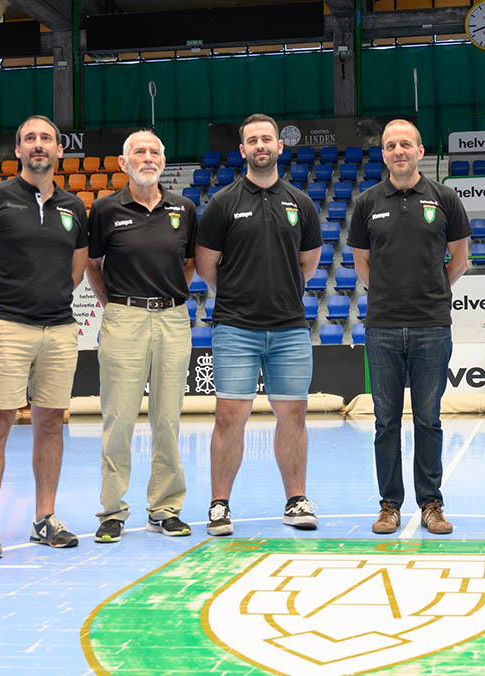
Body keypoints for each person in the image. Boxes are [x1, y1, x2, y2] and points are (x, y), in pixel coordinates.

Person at [0, 115, 89, 560]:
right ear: (18, 151)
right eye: (30, 138)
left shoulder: (74, 207)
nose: (38, 145)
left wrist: (48, 301)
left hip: (58, 329)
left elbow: (75, 269)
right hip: (6, 328)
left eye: (46, 139)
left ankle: (44, 519)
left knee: (51, 423)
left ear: (58, 150)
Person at [196, 113, 322, 537]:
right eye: (252, 140)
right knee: (230, 416)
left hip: (289, 328)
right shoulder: (222, 203)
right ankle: (219, 505)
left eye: (266, 139)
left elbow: (308, 264)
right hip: (235, 328)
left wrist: (278, 292)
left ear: (279, 147)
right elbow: (207, 266)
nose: (260, 146)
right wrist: (241, 294)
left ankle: (296, 499)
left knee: (294, 416)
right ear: (243, 150)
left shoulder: (301, 203)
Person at [347, 119, 470, 535]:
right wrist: (386, 293)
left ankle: (431, 504)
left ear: (420, 151)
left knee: (429, 419)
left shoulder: (445, 198)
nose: (398, 151)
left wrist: (432, 290)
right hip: (381, 327)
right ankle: (389, 505)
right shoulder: (367, 202)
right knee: (385, 422)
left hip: (432, 326)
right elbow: (361, 261)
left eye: (406, 144)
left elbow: (460, 257)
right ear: (383, 154)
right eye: (390, 145)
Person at [85, 130, 197, 544]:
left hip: (172, 318)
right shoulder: (104, 209)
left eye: (154, 152)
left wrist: (167, 298)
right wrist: (115, 303)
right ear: (123, 161)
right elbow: (92, 265)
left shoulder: (183, 209)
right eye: (139, 152)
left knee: (167, 419)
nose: (147, 158)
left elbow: (188, 265)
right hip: (124, 317)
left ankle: (165, 508)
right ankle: (112, 510)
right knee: (119, 419)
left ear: (163, 162)